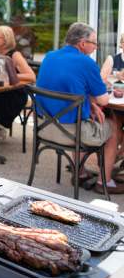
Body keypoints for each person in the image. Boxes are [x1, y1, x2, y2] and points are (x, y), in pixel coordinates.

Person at [37, 22, 124, 194]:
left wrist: (89, 103)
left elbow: (62, 87)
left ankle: (80, 173)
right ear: (83, 43)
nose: (95, 47)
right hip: (72, 132)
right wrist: (94, 102)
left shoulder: (49, 56)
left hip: (44, 128)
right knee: (113, 128)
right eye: (94, 43)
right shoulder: (86, 63)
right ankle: (104, 181)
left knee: (88, 116)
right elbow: (104, 100)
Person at [0, 25, 36, 132]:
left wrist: (8, 74)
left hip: (13, 93)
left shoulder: (15, 55)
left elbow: (31, 76)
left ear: (5, 40)